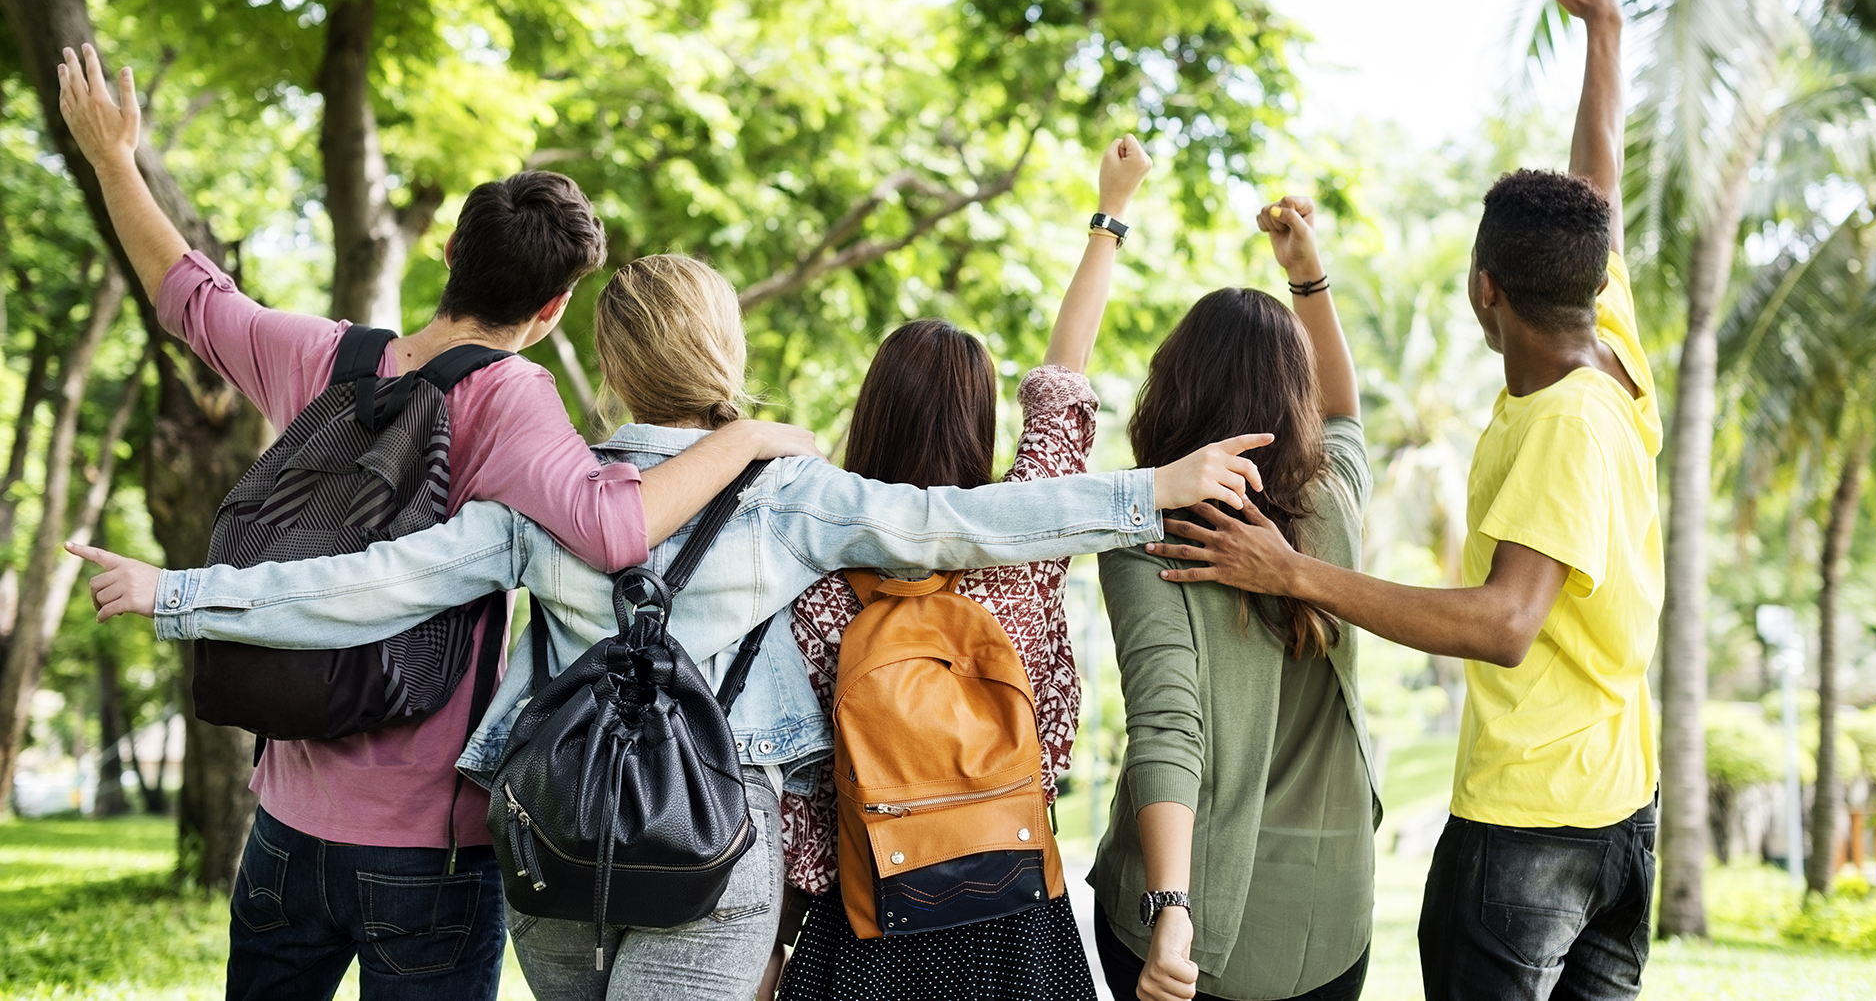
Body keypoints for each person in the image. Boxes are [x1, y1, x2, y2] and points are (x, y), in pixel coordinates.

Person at [73, 249, 1273, 1001]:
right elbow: (968, 523)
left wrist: (178, 591)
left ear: (606, 364)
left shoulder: (542, 497)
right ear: (728, 355)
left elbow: (368, 584)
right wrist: (1146, 492)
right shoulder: (788, 492)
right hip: (716, 850)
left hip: (552, 847)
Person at [55, 45, 818, 1001]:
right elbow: (615, 529)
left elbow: (192, 300)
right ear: (551, 310)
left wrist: (114, 158)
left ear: (449, 251)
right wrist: (744, 438)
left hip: (286, 823)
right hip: (429, 846)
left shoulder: (324, 359)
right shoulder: (512, 400)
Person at [1146, 0, 1661, 1001]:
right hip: (1623, 810)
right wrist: (1606, 36)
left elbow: (1505, 623)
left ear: (1485, 292)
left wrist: (1289, 572)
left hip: (1534, 830)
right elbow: (1596, 188)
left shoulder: (1565, 423)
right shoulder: (1607, 341)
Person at [773, 135, 1154, 1001]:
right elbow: (1063, 383)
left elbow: (800, 793)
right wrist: (1111, 212)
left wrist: (776, 945)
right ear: (979, 423)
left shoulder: (816, 572)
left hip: (868, 914)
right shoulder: (1021, 547)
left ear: (870, 415)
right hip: (1013, 907)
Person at [1087, 193, 1374, 1001]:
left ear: (1173, 386)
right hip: (1328, 921)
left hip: (1188, 926)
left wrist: (1171, 907)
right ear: (1295, 397)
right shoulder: (1333, 504)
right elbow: (1346, 412)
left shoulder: (1151, 531)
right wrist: (1307, 277)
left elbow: (1166, 724)